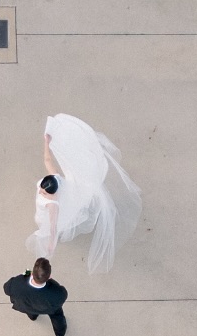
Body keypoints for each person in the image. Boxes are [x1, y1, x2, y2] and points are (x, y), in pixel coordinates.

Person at [26, 113, 141, 274]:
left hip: (54, 213)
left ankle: (62, 233)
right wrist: (47, 142)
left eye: (43, 192)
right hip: (63, 201)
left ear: (52, 194)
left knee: (47, 222)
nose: (40, 191)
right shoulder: (56, 178)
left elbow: (52, 226)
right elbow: (47, 160)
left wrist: (51, 242)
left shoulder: (53, 205)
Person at [3, 257, 68, 336]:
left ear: (33, 272)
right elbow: (62, 297)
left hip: (26, 306)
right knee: (57, 317)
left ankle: (33, 317)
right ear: (49, 277)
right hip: (48, 308)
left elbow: (6, 289)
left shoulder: (16, 283)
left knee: (31, 311)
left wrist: (26, 273)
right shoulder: (57, 292)